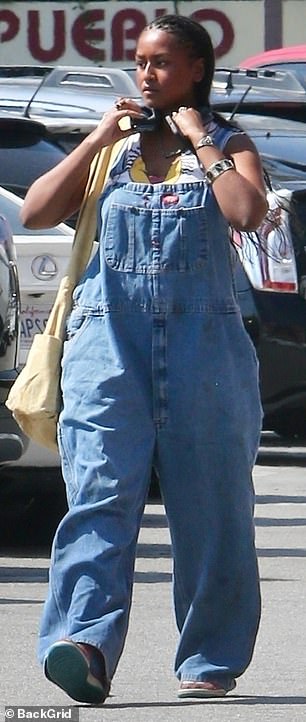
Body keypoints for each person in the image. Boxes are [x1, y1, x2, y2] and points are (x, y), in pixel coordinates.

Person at [21, 14, 268, 704]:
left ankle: (211, 657)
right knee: (99, 497)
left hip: (206, 355)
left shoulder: (228, 144)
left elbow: (246, 211)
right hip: (109, 353)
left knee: (213, 509)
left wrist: (200, 139)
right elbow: (39, 211)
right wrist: (98, 136)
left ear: (196, 68)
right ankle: (83, 646)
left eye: (160, 62)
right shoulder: (109, 152)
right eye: (139, 61)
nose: (146, 74)